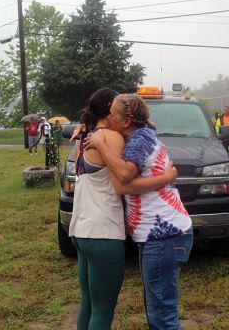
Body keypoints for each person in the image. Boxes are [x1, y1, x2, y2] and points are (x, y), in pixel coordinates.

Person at [69, 88, 177, 330]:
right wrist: (168, 176)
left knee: (87, 305)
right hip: (103, 232)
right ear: (110, 110)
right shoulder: (112, 138)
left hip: (80, 231)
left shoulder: (83, 139)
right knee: (102, 311)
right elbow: (125, 177)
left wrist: (83, 126)